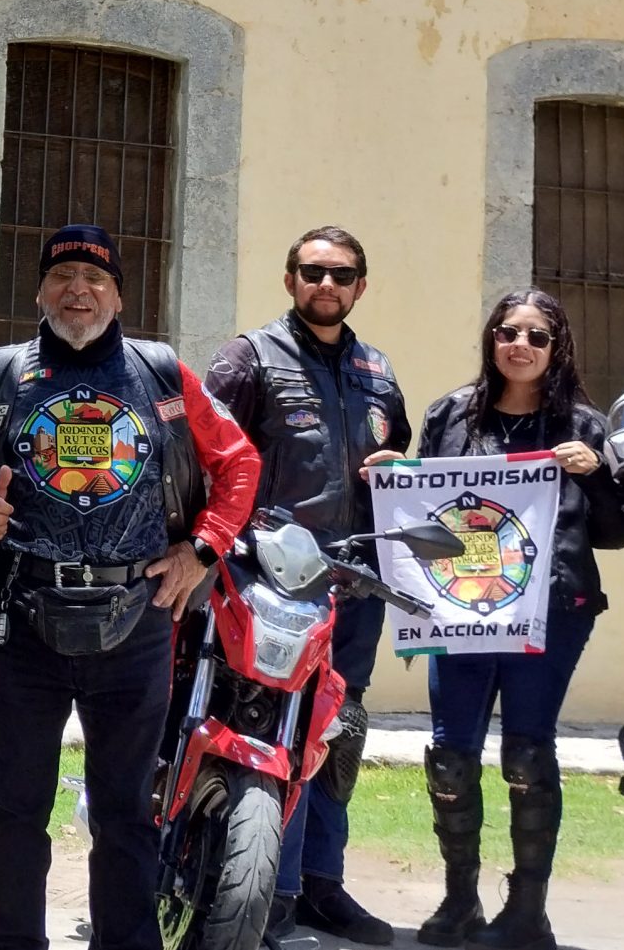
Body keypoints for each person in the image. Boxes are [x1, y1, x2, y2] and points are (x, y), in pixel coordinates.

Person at [0, 225, 261, 950]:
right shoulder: (0, 372)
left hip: (137, 621)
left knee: (125, 812)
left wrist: (202, 549)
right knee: (18, 807)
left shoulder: (162, 374)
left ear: (118, 295)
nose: (77, 290)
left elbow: (239, 463)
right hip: (21, 623)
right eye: (62, 276)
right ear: (39, 292)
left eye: (94, 277)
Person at [203, 225, 411, 947]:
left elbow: (400, 456)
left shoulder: (378, 369)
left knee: (339, 731)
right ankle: (267, 887)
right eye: (314, 271)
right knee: (271, 727)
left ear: (361, 285)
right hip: (268, 578)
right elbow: (205, 451)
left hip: (353, 583)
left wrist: (394, 465)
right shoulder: (248, 357)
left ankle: (322, 883)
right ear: (290, 279)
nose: (328, 284)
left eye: (342, 273)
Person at [410, 291, 624, 950]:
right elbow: (421, 512)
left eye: (537, 335)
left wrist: (595, 477)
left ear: (556, 347)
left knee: (527, 753)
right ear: (492, 338)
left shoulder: (586, 427)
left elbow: (617, 532)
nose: (521, 344)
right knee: (450, 757)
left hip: (551, 606)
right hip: (459, 605)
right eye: (508, 331)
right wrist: (393, 477)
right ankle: (459, 902)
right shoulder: (449, 414)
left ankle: (528, 912)